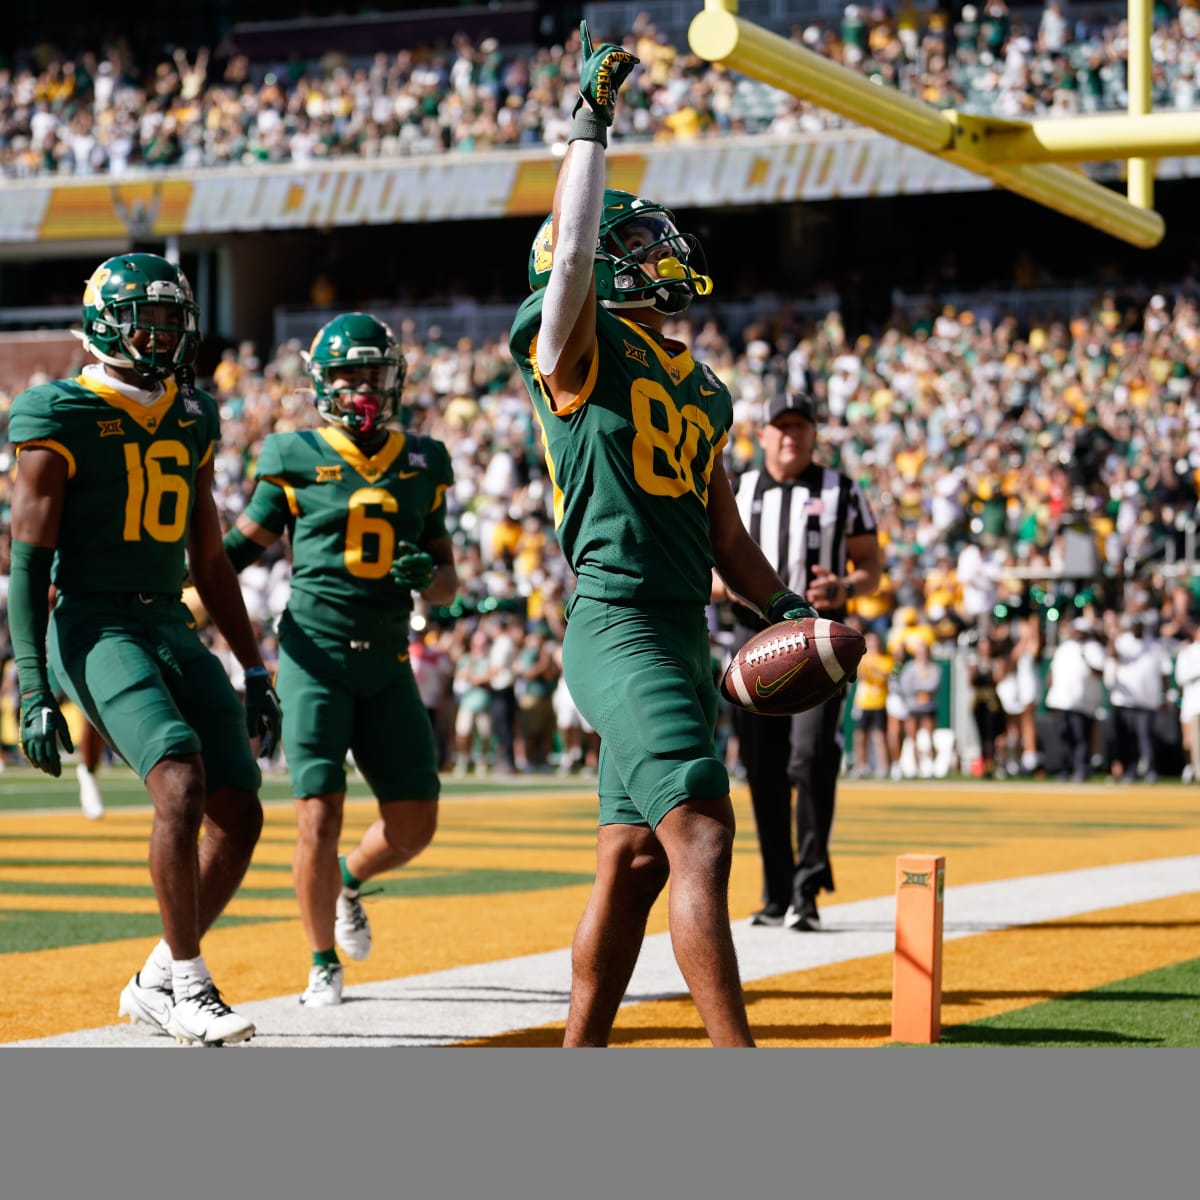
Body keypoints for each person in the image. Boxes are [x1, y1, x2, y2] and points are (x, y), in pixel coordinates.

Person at [509, 21, 815, 1047]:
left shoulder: (700, 384)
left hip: (685, 632)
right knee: (705, 831)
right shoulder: (573, 344)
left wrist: (782, 605)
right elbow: (569, 259)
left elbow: (723, 525)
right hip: (620, 625)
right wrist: (588, 127)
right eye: (635, 248)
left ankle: (578, 1060)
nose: (657, 257)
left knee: (635, 861)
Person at [7, 252, 281, 1045]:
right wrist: (33, 685)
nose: (161, 335)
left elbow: (210, 558)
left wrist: (253, 664)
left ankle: (157, 977)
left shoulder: (193, 414)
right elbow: (28, 564)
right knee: (180, 781)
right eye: (146, 320)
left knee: (240, 812)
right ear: (103, 324)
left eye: (171, 320)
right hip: (94, 622)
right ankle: (191, 985)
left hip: (167, 619)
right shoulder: (56, 411)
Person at [221, 311, 458, 1007]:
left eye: (372, 375)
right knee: (317, 813)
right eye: (348, 376)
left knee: (416, 823)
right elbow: (238, 548)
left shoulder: (424, 460)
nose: (362, 389)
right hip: (315, 656)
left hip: (387, 660)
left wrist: (428, 577)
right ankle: (322, 960)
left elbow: (447, 584)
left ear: (394, 381)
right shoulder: (293, 455)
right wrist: (173, 585)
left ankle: (349, 882)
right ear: (323, 384)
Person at [717, 387, 882, 932]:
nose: (790, 436)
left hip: (817, 643)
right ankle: (777, 891)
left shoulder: (842, 491)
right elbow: (709, 560)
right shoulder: (736, 488)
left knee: (809, 760)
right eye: (781, 426)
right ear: (763, 435)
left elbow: (871, 568)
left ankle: (807, 888)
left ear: (813, 435)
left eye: (800, 427)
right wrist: (728, 587)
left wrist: (845, 586)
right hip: (754, 642)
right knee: (762, 769)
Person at [1044, 617, 1105, 782]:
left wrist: (1086, 659)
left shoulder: (1094, 648)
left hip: (1083, 703)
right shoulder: (1065, 647)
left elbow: (1100, 672)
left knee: (1081, 738)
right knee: (1064, 736)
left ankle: (1081, 769)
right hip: (1061, 701)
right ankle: (1066, 769)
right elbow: (1052, 670)